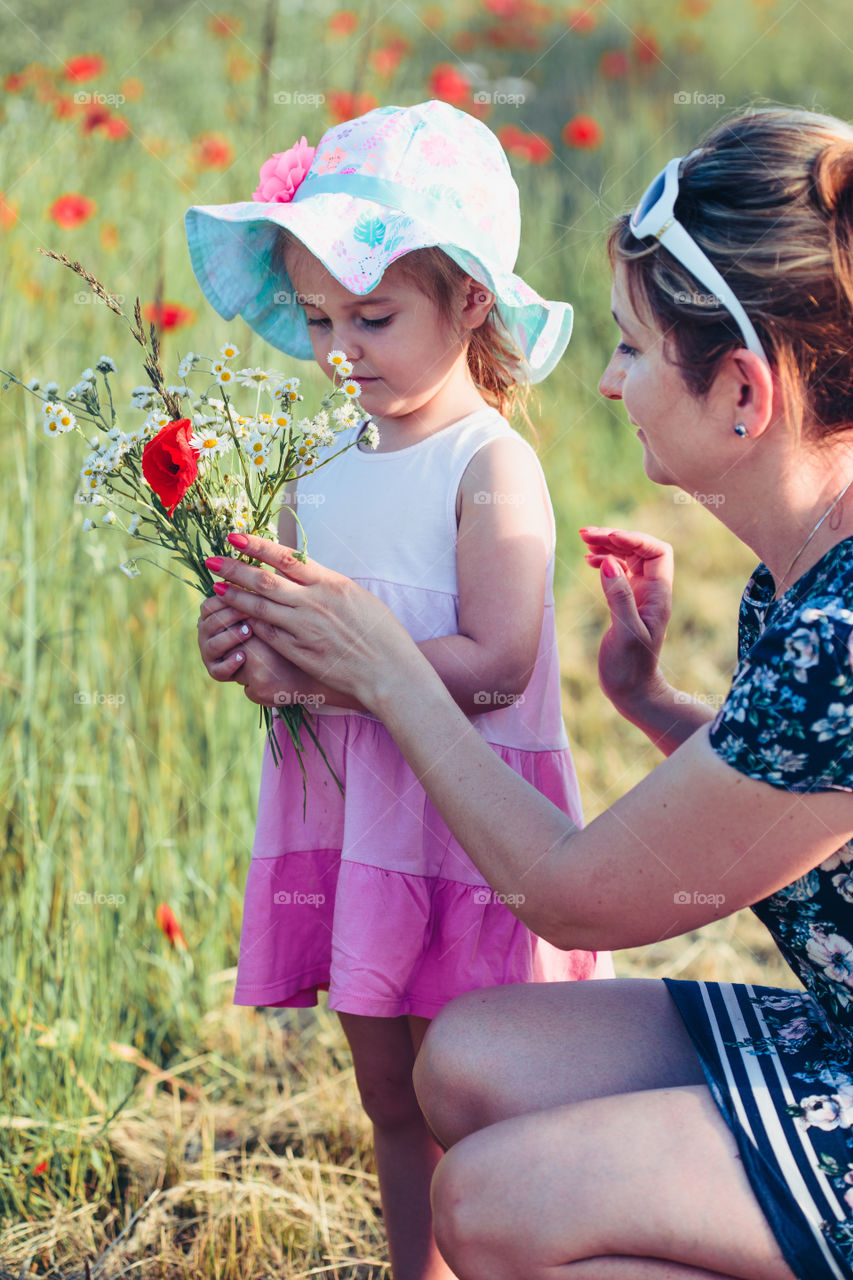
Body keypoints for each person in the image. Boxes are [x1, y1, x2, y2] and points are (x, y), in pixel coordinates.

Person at [198, 104, 853, 1279]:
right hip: (834, 1034)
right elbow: (806, 789)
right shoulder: (799, 582)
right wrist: (654, 707)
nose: (605, 381)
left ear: (743, 391)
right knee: (466, 1058)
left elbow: (576, 897)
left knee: (492, 1201)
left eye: (634, 347)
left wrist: (377, 661)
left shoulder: (838, 625)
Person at [188, 100, 612, 1280]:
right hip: (355, 813)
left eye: (373, 317)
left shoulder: (490, 465)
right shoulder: (315, 463)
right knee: (387, 1089)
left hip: (465, 821)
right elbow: (298, 660)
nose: (339, 351)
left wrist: (347, 659)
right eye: (317, 318)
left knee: (469, 1076)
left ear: (470, 300)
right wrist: (252, 655)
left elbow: (501, 658)